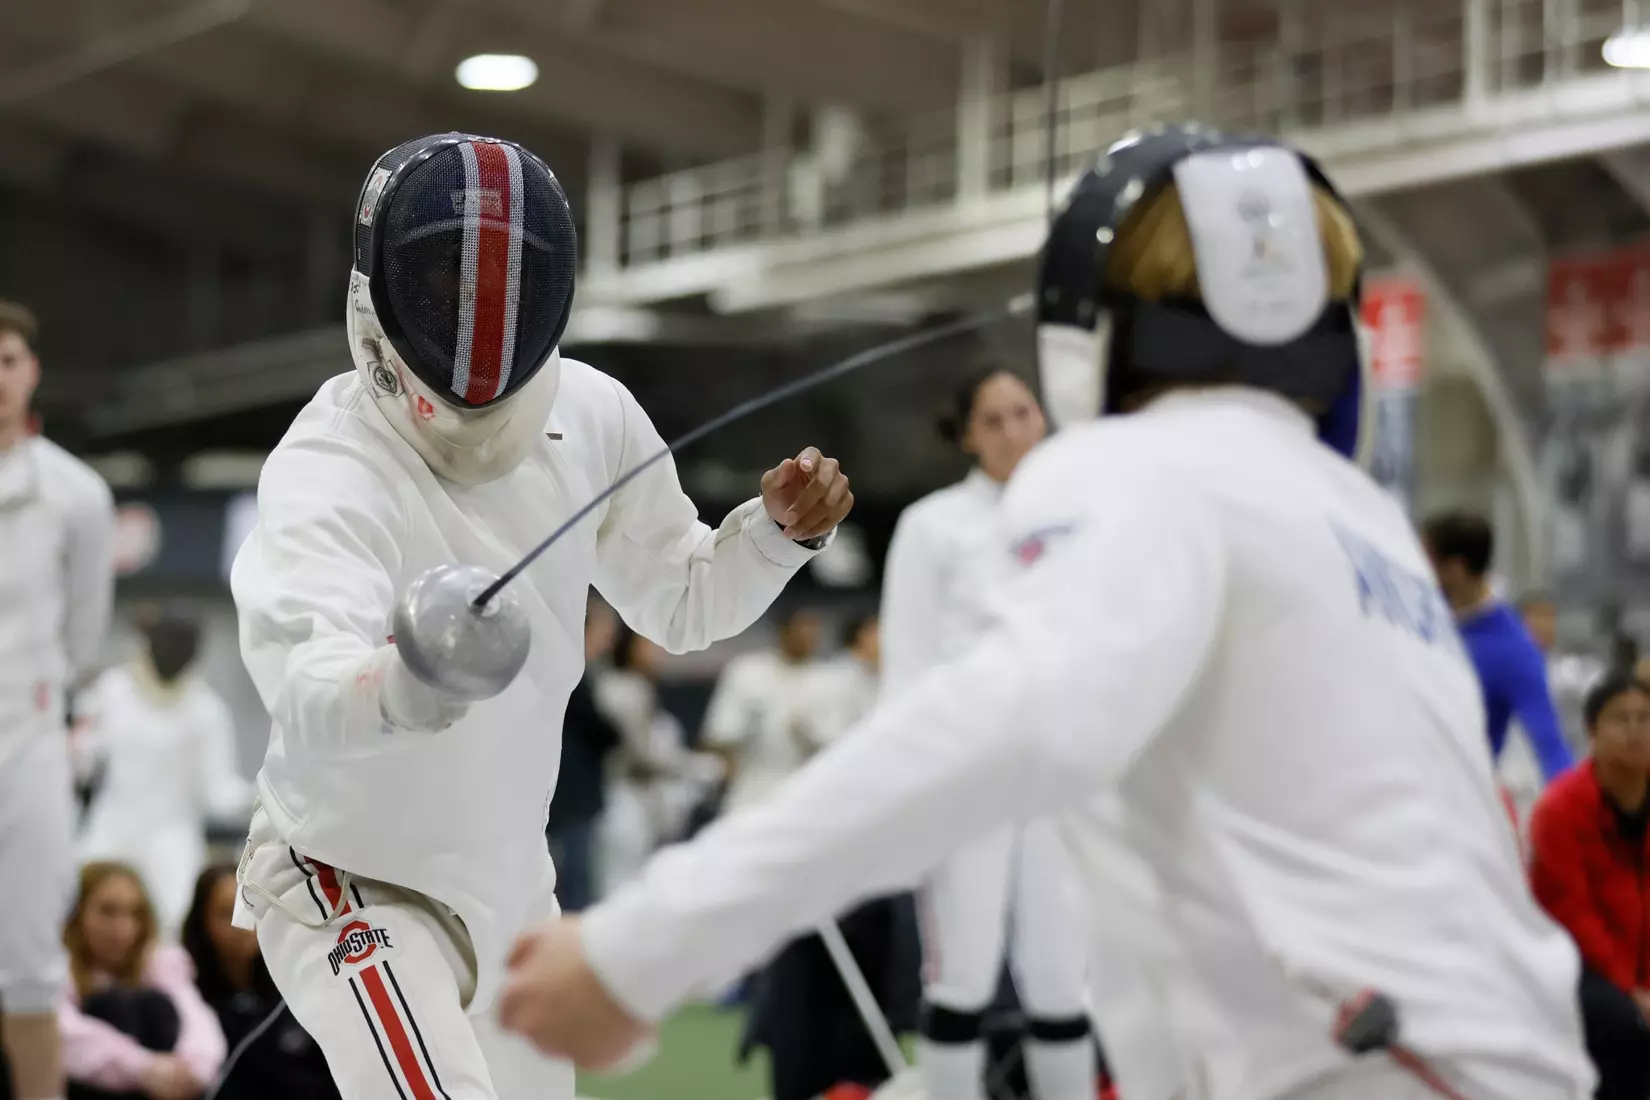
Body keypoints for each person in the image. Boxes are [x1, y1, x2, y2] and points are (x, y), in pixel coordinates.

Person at [497, 125, 1596, 1100]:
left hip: (1376, 1062)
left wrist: (646, 944)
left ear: (1088, 322)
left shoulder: (1136, 467)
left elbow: (1010, 717)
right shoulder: (1356, 514)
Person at [227, 132, 852, 1100]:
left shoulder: (591, 414)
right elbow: (309, 681)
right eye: (443, 282)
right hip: (353, 871)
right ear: (383, 290)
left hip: (512, 887)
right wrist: (406, 678)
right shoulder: (329, 467)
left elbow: (683, 599)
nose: (474, 309)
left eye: (502, 280)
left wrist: (771, 535)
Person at [879, 368, 1097, 1100]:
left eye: (1023, 413)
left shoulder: (1081, 517)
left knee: (1063, 976)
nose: (1013, 431)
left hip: (1059, 778)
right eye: (994, 420)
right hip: (967, 776)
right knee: (962, 972)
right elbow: (905, 663)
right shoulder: (933, 524)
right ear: (968, 435)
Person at [0, 300, 117, 1100]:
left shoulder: (77, 496)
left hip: (27, 736)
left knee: (32, 966)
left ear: (31, 371)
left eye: (6, 361)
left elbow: (84, 641)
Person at [75, 612, 252, 936]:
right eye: (168, 643)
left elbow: (219, 792)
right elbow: (82, 759)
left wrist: (267, 795)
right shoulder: (112, 691)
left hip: (171, 840)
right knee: (85, 904)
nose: (173, 652)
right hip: (111, 827)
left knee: (177, 921)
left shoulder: (206, 711)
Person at [1528, 671, 1650, 1100]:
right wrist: (1630, 989)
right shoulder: (1560, 809)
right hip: (1578, 966)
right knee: (1623, 1024)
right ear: (1592, 732)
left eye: (1645, 718)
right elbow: (1573, 914)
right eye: (1622, 719)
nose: (1636, 732)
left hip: (1640, 969)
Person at [1422, 512, 1573, 784]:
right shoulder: (1422, 616)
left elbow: (1550, 746)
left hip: (1458, 800)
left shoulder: (1513, 650)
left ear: (1455, 568)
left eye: (1428, 561)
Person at [59, 864, 224, 1100]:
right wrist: (142, 1068)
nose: (123, 927)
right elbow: (62, 1034)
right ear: (76, 914)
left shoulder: (158, 964)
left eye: (134, 913)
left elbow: (198, 1022)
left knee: (155, 1005)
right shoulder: (59, 971)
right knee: (108, 1005)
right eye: (108, 911)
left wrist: (187, 1070)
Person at [179, 865, 338, 1100]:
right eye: (226, 913)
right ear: (201, 921)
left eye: (251, 909)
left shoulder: (295, 990)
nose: (243, 925)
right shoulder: (186, 999)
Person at [595, 630, 722, 895]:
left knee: (640, 880)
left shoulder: (640, 687)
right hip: (623, 796)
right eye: (649, 646)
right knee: (619, 884)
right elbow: (644, 753)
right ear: (629, 647)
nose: (657, 654)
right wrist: (698, 767)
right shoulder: (622, 689)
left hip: (646, 800)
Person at [699, 607, 827, 816]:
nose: (809, 637)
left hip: (805, 790)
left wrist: (809, 734)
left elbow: (840, 744)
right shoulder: (747, 671)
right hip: (752, 788)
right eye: (803, 630)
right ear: (784, 631)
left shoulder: (827, 679)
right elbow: (717, 735)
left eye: (814, 631)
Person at [546, 601, 624, 913]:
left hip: (572, 796)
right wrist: (616, 733)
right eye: (604, 632)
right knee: (574, 881)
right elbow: (600, 729)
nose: (608, 640)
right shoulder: (571, 672)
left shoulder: (587, 672)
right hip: (568, 796)